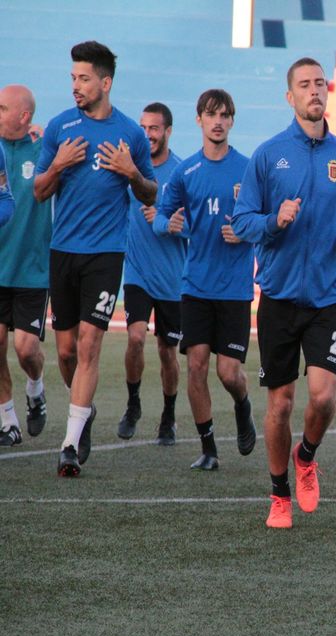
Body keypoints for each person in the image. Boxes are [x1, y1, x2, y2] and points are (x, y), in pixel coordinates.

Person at [232, 57, 336, 529]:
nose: (314, 91)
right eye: (304, 85)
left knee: (324, 399)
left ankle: (305, 456)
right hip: (279, 297)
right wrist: (274, 221)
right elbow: (242, 220)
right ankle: (279, 494)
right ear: (289, 97)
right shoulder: (268, 156)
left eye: (319, 84)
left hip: (327, 296)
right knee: (281, 402)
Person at [34, 41, 157, 476]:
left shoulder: (131, 134)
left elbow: (150, 193)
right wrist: (59, 165)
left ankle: (68, 445)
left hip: (106, 254)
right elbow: (39, 191)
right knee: (66, 352)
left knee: (89, 345)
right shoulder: (59, 128)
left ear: (105, 83)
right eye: (73, 78)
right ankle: (82, 414)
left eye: (83, 78)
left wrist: (132, 173)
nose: (75, 86)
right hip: (63, 251)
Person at [153, 89, 256, 470]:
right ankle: (209, 448)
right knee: (196, 365)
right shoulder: (185, 172)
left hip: (234, 288)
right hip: (195, 285)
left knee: (228, 372)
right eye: (211, 114)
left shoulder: (248, 169)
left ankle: (243, 406)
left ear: (231, 121)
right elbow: (161, 216)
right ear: (199, 120)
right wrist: (170, 224)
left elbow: (266, 222)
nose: (218, 121)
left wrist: (246, 232)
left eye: (225, 115)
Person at [116, 102, 183, 445]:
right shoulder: (130, 169)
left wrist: (170, 223)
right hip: (137, 273)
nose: (148, 135)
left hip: (172, 279)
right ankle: (133, 403)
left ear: (168, 131)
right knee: (136, 337)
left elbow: (195, 227)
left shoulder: (183, 172)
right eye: (143, 128)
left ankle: (169, 416)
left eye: (154, 128)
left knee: (167, 352)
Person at [0, 85, 50, 448]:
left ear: (25, 116)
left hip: (32, 269)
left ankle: (36, 389)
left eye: (2, 108)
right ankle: (7, 421)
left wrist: (51, 137)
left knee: (26, 349)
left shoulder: (43, 148)